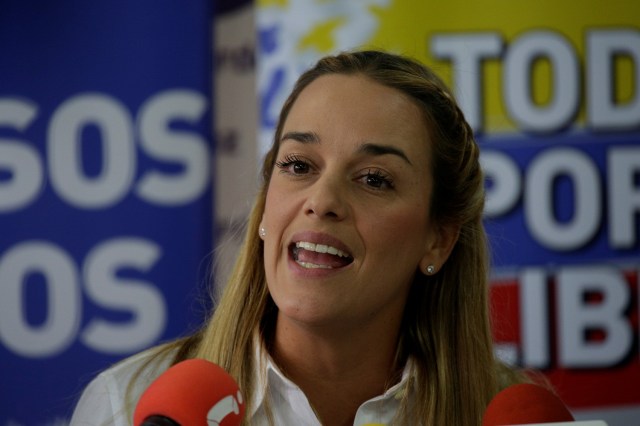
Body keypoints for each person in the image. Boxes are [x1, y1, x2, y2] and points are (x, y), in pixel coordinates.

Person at [70, 50, 527, 425]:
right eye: (298, 166)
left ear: (439, 240)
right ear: (266, 207)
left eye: (373, 178)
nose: (321, 200)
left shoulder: (510, 415)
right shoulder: (126, 406)